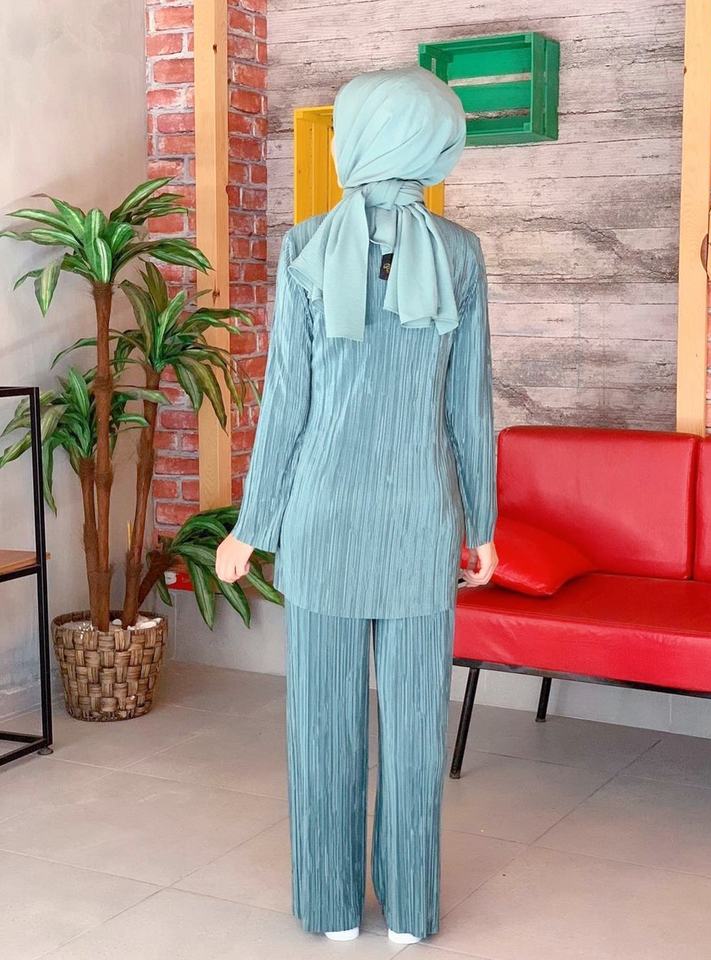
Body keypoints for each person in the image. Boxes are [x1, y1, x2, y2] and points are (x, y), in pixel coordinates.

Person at [216, 64, 498, 944]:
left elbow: (286, 406)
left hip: (320, 519)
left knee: (321, 726)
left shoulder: (305, 247)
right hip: (420, 519)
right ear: (430, 139)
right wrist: (483, 525)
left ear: (366, 137)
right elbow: (469, 407)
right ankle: (409, 910)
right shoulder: (459, 253)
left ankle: (332, 908)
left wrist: (253, 525)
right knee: (416, 729)